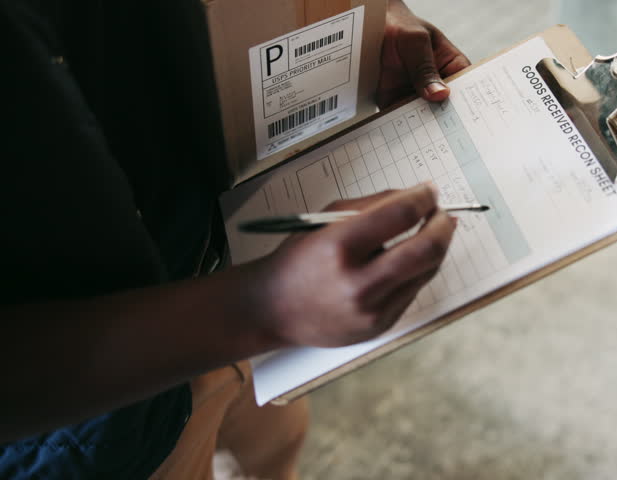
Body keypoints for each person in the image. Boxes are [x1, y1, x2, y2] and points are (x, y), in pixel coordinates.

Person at [0, 0, 470, 477]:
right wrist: (263, 307)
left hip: (238, 263)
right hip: (109, 408)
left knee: (278, 441)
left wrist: (360, 15)